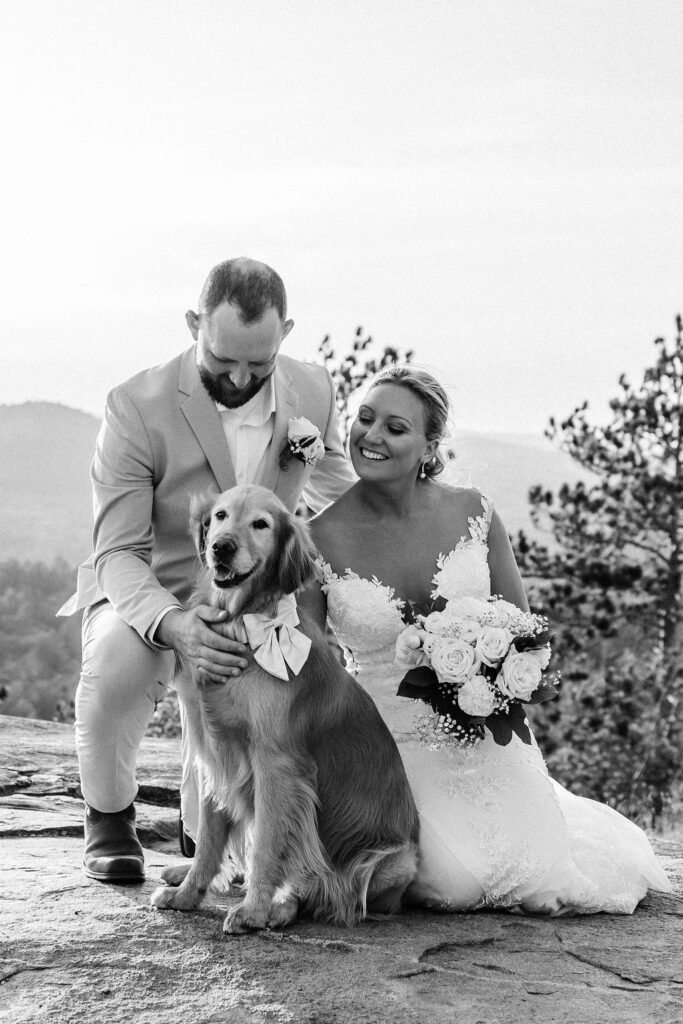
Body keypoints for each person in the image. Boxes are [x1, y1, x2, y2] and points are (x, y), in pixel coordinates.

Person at [302, 364, 671, 914]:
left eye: (395, 428)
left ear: (430, 446)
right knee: (452, 883)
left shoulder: (473, 511)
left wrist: (487, 681)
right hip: (381, 743)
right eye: (364, 419)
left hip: (485, 728)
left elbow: (523, 628)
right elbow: (311, 662)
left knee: (543, 873)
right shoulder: (316, 538)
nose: (371, 436)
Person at [58, 258, 356, 883]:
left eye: (259, 363)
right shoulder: (134, 406)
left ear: (287, 332)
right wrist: (174, 625)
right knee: (118, 662)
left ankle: (217, 842)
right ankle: (109, 817)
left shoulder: (316, 390)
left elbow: (339, 496)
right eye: (223, 363)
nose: (242, 378)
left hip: (258, 600)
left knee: (273, 706)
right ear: (194, 324)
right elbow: (116, 549)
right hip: (153, 589)